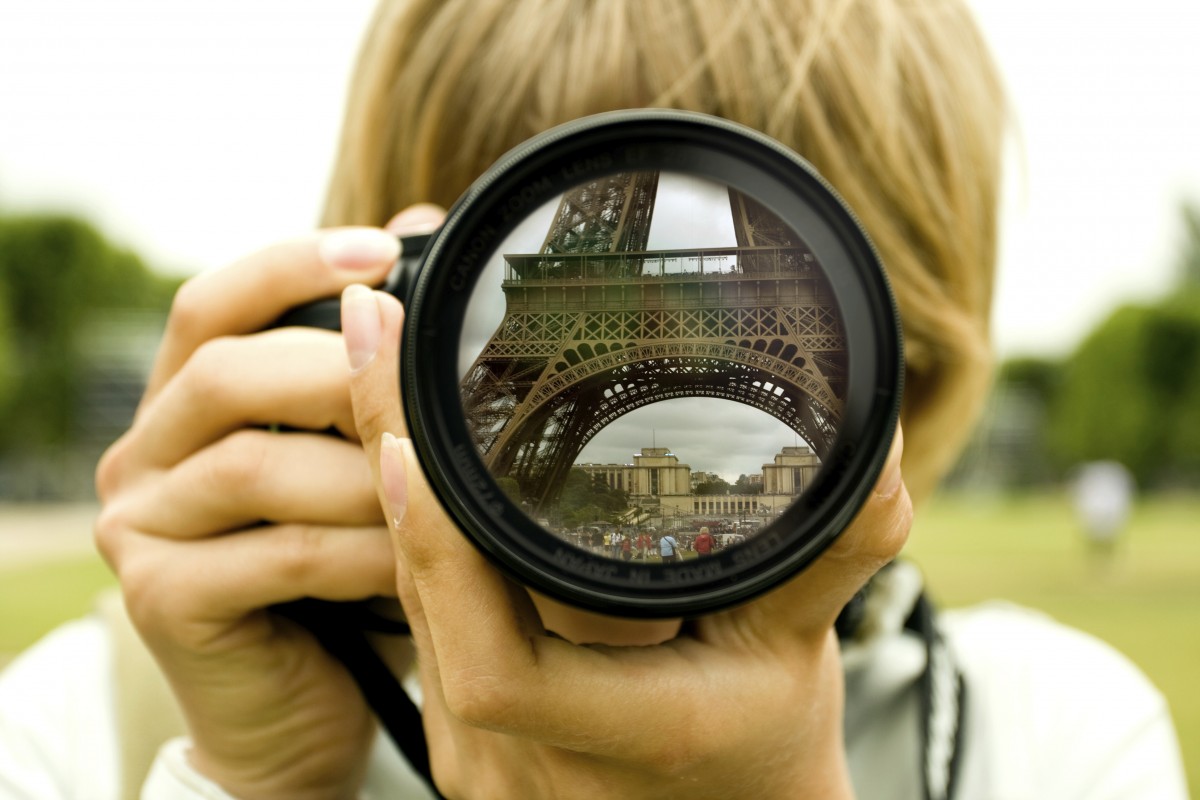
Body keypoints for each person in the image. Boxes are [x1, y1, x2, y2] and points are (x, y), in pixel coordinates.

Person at [0, 0, 1188, 798]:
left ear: (901, 372)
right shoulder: (89, 720)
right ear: (385, 325)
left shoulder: (1062, 732)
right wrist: (264, 779)